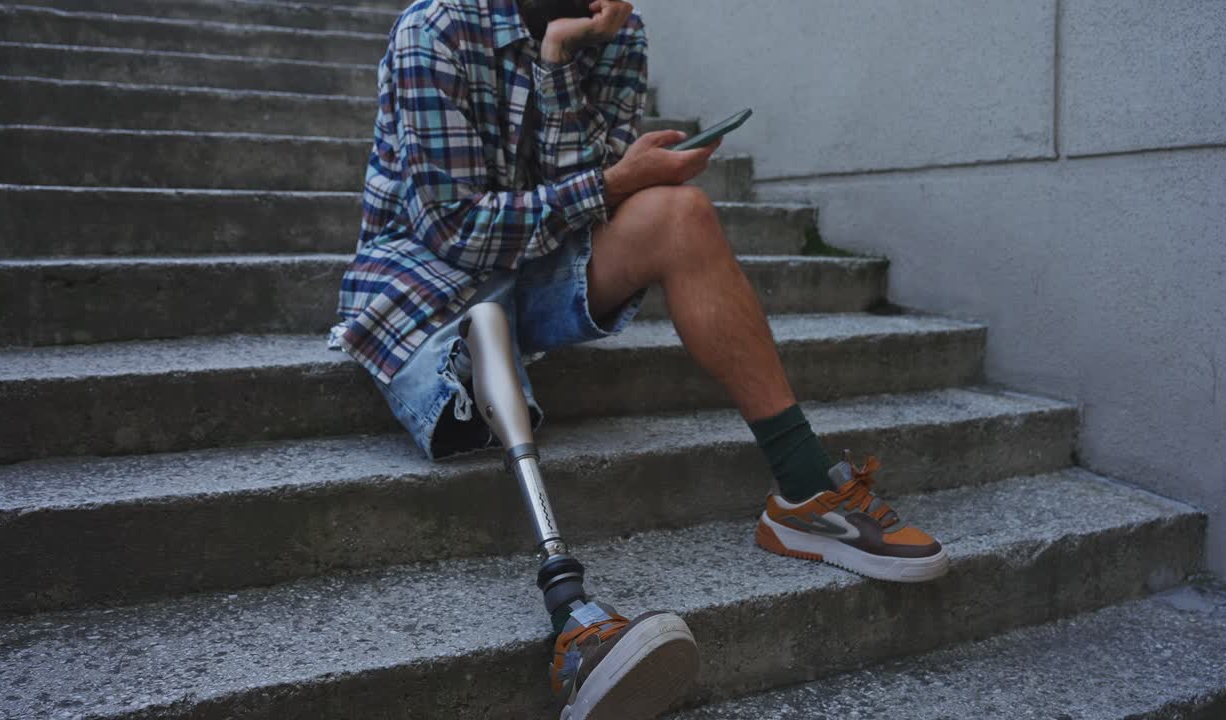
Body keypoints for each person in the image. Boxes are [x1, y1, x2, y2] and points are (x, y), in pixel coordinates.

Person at [329, 0, 948, 717]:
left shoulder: (613, 30)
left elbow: (589, 197)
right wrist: (615, 181)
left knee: (681, 216)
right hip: (425, 279)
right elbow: (457, 230)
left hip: (534, 261)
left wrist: (557, 63)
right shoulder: (433, 30)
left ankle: (806, 492)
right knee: (475, 403)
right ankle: (575, 621)